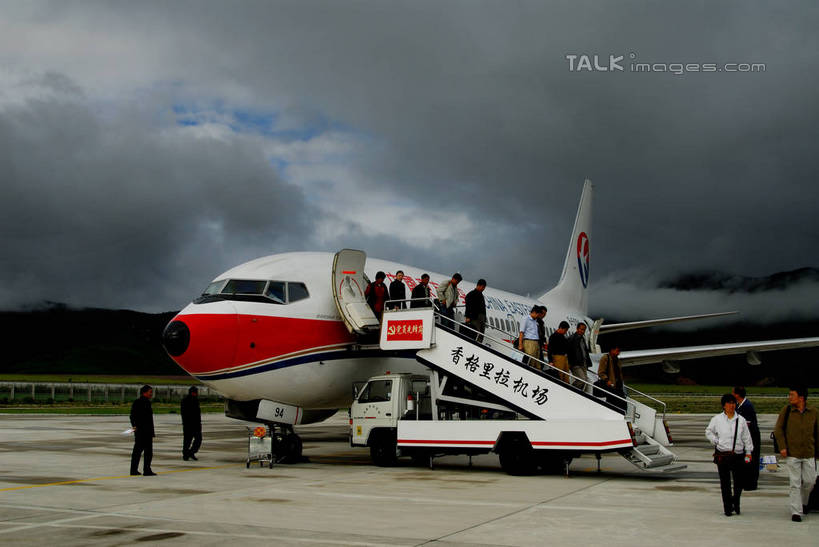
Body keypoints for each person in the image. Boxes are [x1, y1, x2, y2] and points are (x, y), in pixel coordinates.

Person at [773, 385, 819, 522]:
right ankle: (796, 511)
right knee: (795, 483)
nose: (789, 397)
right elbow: (778, 430)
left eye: (792, 395)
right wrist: (782, 447)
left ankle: (804, 503)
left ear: (801, 398)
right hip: (792, 454)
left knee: (810, 482)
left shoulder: (814, 412)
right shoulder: (786, 411)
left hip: (809, 453)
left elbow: (818, 432)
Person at [705, 394, 754, 517]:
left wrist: (748, 453)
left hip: (737, 455)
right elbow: (708, 431)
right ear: (724, 406)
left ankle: (735, 501)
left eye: (733, 403)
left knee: (739, 482)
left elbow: (747, 438)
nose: (732, 406)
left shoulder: (741, 420)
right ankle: (727, 507)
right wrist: (716, 441)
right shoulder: (717, 419)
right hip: (723, 455)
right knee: (725, 483)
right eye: (729, 403)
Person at [733, 386, 761, 491]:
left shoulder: (747, 406)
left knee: (752, 460)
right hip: (745, 437)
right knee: (746, 460)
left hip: (752, 437)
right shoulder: (739, 405)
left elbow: (748, 424)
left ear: (737, 395)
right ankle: (746, 482)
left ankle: (751, 484)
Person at [130, 384, 156, 476]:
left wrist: (134, 426)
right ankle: (146, 469)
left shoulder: (138, 402)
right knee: (147, 452)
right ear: (144, 392)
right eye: (150, 392)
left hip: (141, 431)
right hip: (145, 431)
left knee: (137, 451)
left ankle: (134, 470)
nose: (151, 394)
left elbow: (132, 416)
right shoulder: (143, 402)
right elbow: (134, 416)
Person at [597, 344, 626, 409]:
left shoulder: (617, 360)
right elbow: (601, 372)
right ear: (612, 350)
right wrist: (607, 380)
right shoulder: (605, 358)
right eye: (617, 351)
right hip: (611, 386)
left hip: (618, 387)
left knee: (622, 404)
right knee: (612, 403)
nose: (618, 353)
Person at [568, 322, 592, 391]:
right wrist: (570, 362)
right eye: (581, 329)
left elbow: (585, 351)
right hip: (575, 363)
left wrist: (587, 362)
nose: (582, 331)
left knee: (585, 381)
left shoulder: (582, 339)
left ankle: (576, 392)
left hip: (583, 363)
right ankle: (570, 390)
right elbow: (569, 351)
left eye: (584, 330)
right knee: (582, 380)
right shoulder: (572, 338)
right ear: (577, 329)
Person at [181, 386, 202, 461]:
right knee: (193, 440)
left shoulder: (188, 400)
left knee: (191, 440)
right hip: (191, 424)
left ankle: (188, 453)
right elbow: (186, 413)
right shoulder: (190, 400)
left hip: (191, 424)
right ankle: (189, 453)